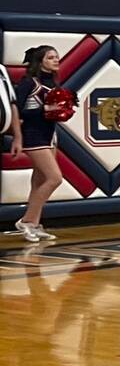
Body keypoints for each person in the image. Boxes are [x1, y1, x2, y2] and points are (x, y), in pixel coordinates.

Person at [14, 46, 63, 242]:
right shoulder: (29, 83)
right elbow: (15, 110)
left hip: (50, 135)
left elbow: (51, 111)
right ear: (41, 60)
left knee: (40, 180)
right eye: (51, 57)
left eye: (57, 57)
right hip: (33, 136)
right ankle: (26, 221)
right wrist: (17, 138)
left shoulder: (54, 83)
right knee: (55, 178)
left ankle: (35, 223)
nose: (56, 60)